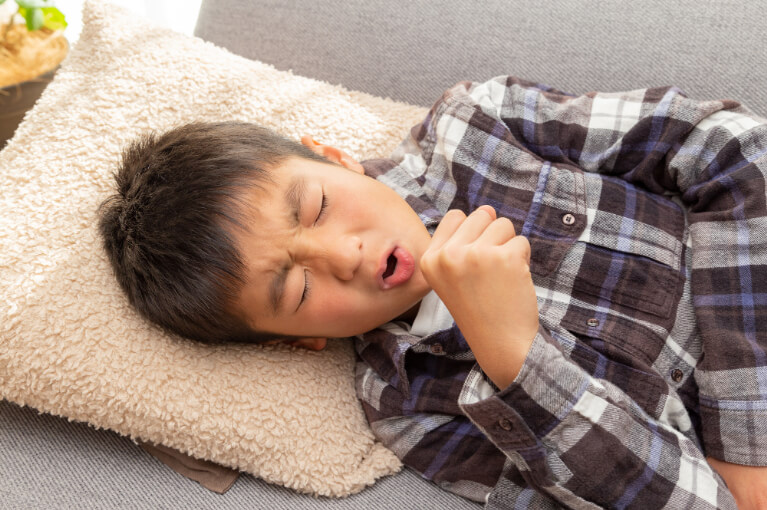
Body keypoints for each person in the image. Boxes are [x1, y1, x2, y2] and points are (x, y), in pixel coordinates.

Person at [98, 75, 767, 509]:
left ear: (332, 157)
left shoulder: (474, 129)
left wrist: (743, 441)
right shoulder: (406, 411)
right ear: (299, 341)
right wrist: (515, 358)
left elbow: (729, 149)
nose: (343, 255)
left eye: (316, 207)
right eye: (297, 288)